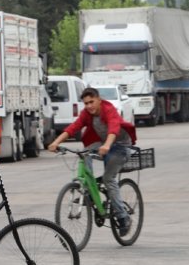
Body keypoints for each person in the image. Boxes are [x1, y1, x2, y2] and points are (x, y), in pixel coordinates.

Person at [47, 87, 137, 236]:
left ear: (99, 100)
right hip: (102, 143)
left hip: (120, 146)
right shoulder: (86, 114)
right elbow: (73, 128)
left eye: (91, 102)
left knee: (109, 179)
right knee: (84, 153)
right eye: (86, 103)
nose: (89, 106)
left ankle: (123, 217)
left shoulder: (109, 109)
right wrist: (55, 142)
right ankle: (86, 186)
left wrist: (107, 145)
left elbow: (113, 128)